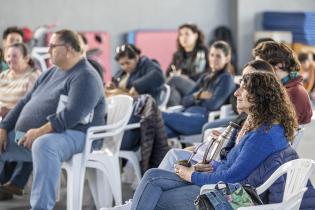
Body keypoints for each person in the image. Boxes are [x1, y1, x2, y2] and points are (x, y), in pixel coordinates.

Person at [102, 71, 298, 210]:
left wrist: (191, 176)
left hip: (234, 198)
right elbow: (233, 168)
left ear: (259, 97)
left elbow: (232, 177)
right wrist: (209, 166)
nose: (236, 93)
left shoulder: (263, 135)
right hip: (225, 187)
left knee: (155, 199)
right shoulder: (262, 127)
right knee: (152, 176)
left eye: (242, 89)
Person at [0, 29, 105, 210]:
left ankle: (41, 207)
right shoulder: (51, 72)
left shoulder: (85, 75)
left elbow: (72, 115)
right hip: (34, 134)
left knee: (44, 144)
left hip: (78, 135)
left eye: (52, 46)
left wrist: (39, 131)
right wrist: (3, 127)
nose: (48, 50)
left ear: (69, 49)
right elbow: (24, 101)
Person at [163, 41, 235, 138]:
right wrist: (199, 96)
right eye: (212, 55)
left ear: (227, 58)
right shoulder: (205, 77)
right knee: (159, 129)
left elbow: (213, 105)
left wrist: (195, 99)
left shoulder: (226, 79)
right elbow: (184, 101)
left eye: (218, 56)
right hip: (186, 114)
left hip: (201, 119)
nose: (214, 59)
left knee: (158, 114)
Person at [0, 43, 41, 200]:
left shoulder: (33, 77)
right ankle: (9, 182)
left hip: (20, 121)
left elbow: (31, 107)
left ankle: (13, 182)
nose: (10, 59)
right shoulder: (3, 76)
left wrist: (7, 114)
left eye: (15, 56)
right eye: (8, 56)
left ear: (26, 58)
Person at [202, 59, 275, 131]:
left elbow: (213, 105)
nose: (236, 93)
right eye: (242, 80)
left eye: (249, 81)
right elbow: (233, 97)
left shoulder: (264, 127)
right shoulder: (249, 114)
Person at [253, 41, 313, 125]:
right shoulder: (289, 88)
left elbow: (271, 128)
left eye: (261, 66)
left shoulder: (292, 93)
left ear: (280, 64)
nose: (257, 71)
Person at [166, 23, 208, 106]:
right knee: (173, 91)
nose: (183, 37)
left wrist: (187, 77)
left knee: (174, 80)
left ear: (195, 35)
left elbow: (207, 73)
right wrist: (174, 74)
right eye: (181, 35)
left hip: (198, 87)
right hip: (180, 87)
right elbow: (168, 72)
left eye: (187, 34)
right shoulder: (177, 55)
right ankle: (175, 113)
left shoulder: (204, 52)